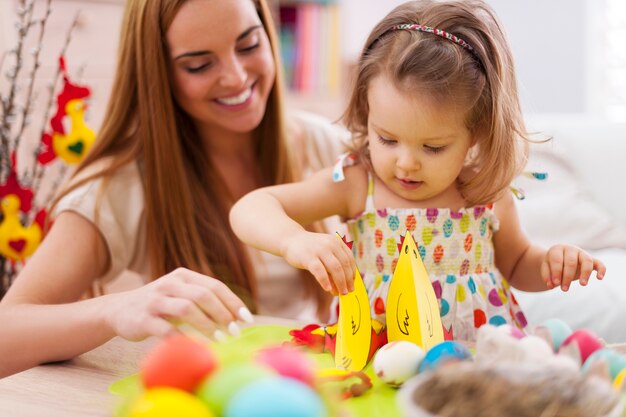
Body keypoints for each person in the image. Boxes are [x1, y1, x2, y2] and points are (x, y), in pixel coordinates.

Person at [0, 0, 346, 377]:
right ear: (156, 72)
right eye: (199, 64)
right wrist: (116, 309)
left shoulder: (326, 147)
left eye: (248, 45)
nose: (235, 77)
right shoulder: (119, 188)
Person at [230, 0, 606, 340]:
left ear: (475, 133)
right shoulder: (357, 182)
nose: (406, 162)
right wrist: (293, 241)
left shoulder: (485, 194)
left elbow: (518, 262)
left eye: (433, 147)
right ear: (367, 111)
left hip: (474, 364)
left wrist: (554, 265)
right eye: (387, 139)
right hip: (376, 356)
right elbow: (252, 208)